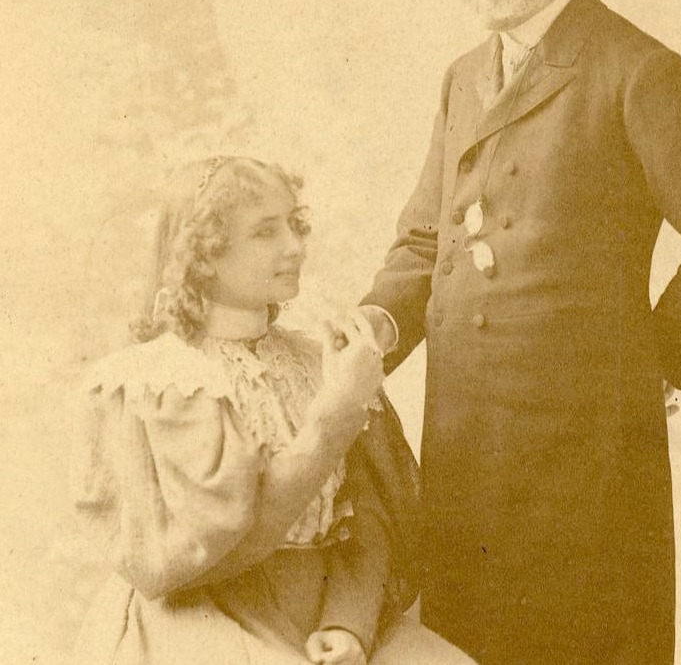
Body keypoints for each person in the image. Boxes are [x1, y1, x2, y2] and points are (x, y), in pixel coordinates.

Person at [359, 0, 681, 664]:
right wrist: (371, 329)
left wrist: (648, 365)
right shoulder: (463, 79)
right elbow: (426, 240)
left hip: (581, 458)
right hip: (465, 439)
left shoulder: (637, 72)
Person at [70, 156, 477, 665]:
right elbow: (207, 556)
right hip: (204, 616)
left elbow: (372, 522)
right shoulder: (170, 380)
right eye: (265, 232)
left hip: (328, 611)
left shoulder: (316, 362)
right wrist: (334, 416)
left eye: (295, 225)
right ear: (203, 256)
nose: (294, 246)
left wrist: (349, 622)